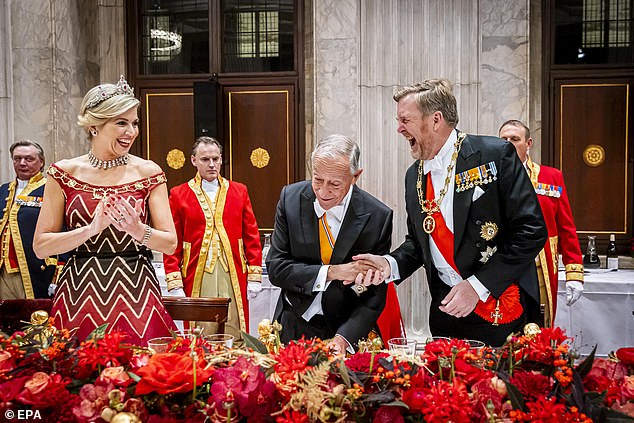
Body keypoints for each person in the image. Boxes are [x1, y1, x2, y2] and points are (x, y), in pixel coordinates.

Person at [354, 79, 547, 346]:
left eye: (405, 120)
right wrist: (389, 265)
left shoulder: (494, 154)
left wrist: (477, 287)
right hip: (446, 312)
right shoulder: (414, 175)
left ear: (435, 119)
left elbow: (532, 231)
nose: (399, 129)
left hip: (499, 305)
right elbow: (419, 243)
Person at [33, 76, 178, 345]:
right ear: (94, 126)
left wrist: (137, 230)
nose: (131, 132)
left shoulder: (149, 172)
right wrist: (90, 230)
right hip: (77, 293)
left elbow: (170, 244)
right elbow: (41, 246)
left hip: (137, 292)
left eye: (134, 123)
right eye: (121, 123)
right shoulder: (63, 173)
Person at [266, 134, 402, 355]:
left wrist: (344, 338)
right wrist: (334, 272)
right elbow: (276, 268)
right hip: (293, 322)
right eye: (317, 180)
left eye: (335, 184)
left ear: (356, 176)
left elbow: (375, 297)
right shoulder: (290, 199)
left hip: (345, 327)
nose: (323, 191)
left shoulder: (377, 216)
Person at [162, 136, 262, 341]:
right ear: (193, 160)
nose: (212, 164)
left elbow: (251, 234)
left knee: (234, 324)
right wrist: (174, 280)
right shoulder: (179, 194)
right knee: (202, 326)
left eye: (216, 159)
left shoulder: (239, 191)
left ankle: (236, 367)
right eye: (205, 159)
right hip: (197, 270)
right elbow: (173, 241)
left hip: (232, 269)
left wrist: (254, 273)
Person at [499, 120, 584, 327]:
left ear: (528, 143)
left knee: (539, 326)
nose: (509, 144)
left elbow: (566, 226)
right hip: (503, 265)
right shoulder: (490, 176)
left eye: (515, 139)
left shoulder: (551, 177)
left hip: (540, 266)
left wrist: (574, 272)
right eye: (504, 140)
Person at [0, 141, 62, 299]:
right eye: (17, 158)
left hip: (35, 269)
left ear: (41, 162)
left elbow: (63, 230)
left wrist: (58, 273)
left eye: (29, 159)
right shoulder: (3, 190)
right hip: (3, 271)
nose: (22, 163)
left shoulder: (51, 189)